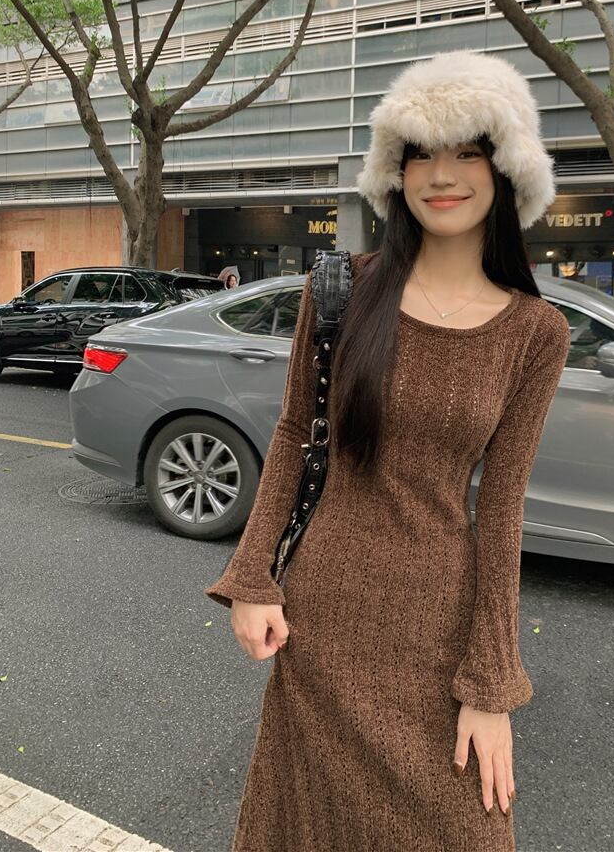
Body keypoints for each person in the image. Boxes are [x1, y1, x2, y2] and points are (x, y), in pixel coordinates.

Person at [205, 49, 571, 852]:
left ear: (505, 171)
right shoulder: (341, 289)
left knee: (466, 830)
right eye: (420, 154)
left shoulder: (536, 332)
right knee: (312, 828)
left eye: (467, 152)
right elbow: (296, 434)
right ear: (395, 174)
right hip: (325, 615)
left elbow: (501, 509)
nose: (441, 175)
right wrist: (254, 577)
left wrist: (491, 683)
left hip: (440, 625)